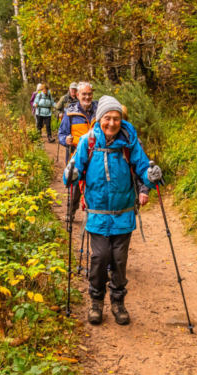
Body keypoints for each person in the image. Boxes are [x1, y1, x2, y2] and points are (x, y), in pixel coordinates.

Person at [63, 95, 163, 326]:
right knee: (99, 258)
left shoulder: (129, 142)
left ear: (121, 120)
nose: (112, 123)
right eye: (107, 118)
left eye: (116, 118)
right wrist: (70, 175)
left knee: (119, 260)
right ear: (99, 119)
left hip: (123, 213)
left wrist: (153, 176)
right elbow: (73, 170)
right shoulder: (88, 142)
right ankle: (96, 302)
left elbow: (142, 168)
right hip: (97, 214)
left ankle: (118, 303)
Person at [58, 81, 97, 221]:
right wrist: (65, 140)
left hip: (97, 155)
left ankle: (94, 213)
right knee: (74, 185)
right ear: (78, 95)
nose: (87, 97)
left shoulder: (100, 110)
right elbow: (61, 134)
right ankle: (70, 211)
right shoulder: (70, 113)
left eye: (89, 94)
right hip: (76, 154)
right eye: (84, 94)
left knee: (96, 184)